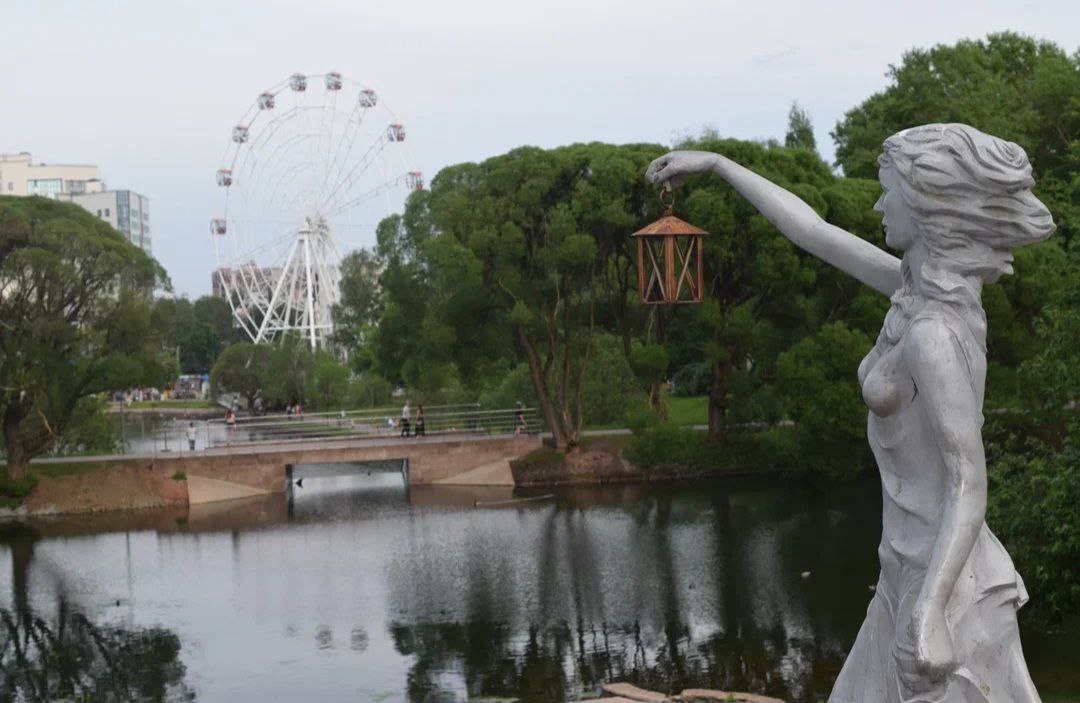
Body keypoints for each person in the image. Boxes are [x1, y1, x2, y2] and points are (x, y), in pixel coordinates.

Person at [647, 124, 1052, 702]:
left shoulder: (933, 334)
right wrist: (718, 164)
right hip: (903, 571)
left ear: (926, 205)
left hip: (945, 585)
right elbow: (813, 231)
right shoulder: (910, 294)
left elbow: (969, 480)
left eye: (888, 191)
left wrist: (933, 609)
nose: (878, 203)